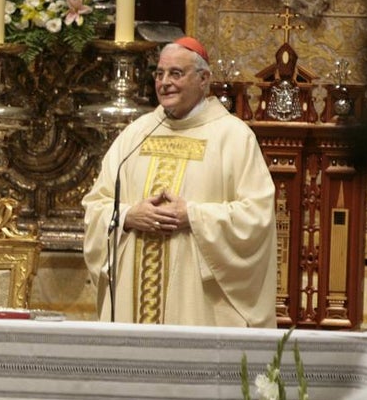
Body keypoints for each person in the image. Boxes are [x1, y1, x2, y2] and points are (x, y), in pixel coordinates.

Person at [81, 37, 277, 327]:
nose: (165, 83)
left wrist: (193, 216)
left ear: (203, 79)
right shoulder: (137, 134)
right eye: (159, 74)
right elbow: (96, 204)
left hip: (198, 304)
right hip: (131, 305)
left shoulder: (233, 137)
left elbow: (257, 215)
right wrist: (128, 216)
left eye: (176, 73)